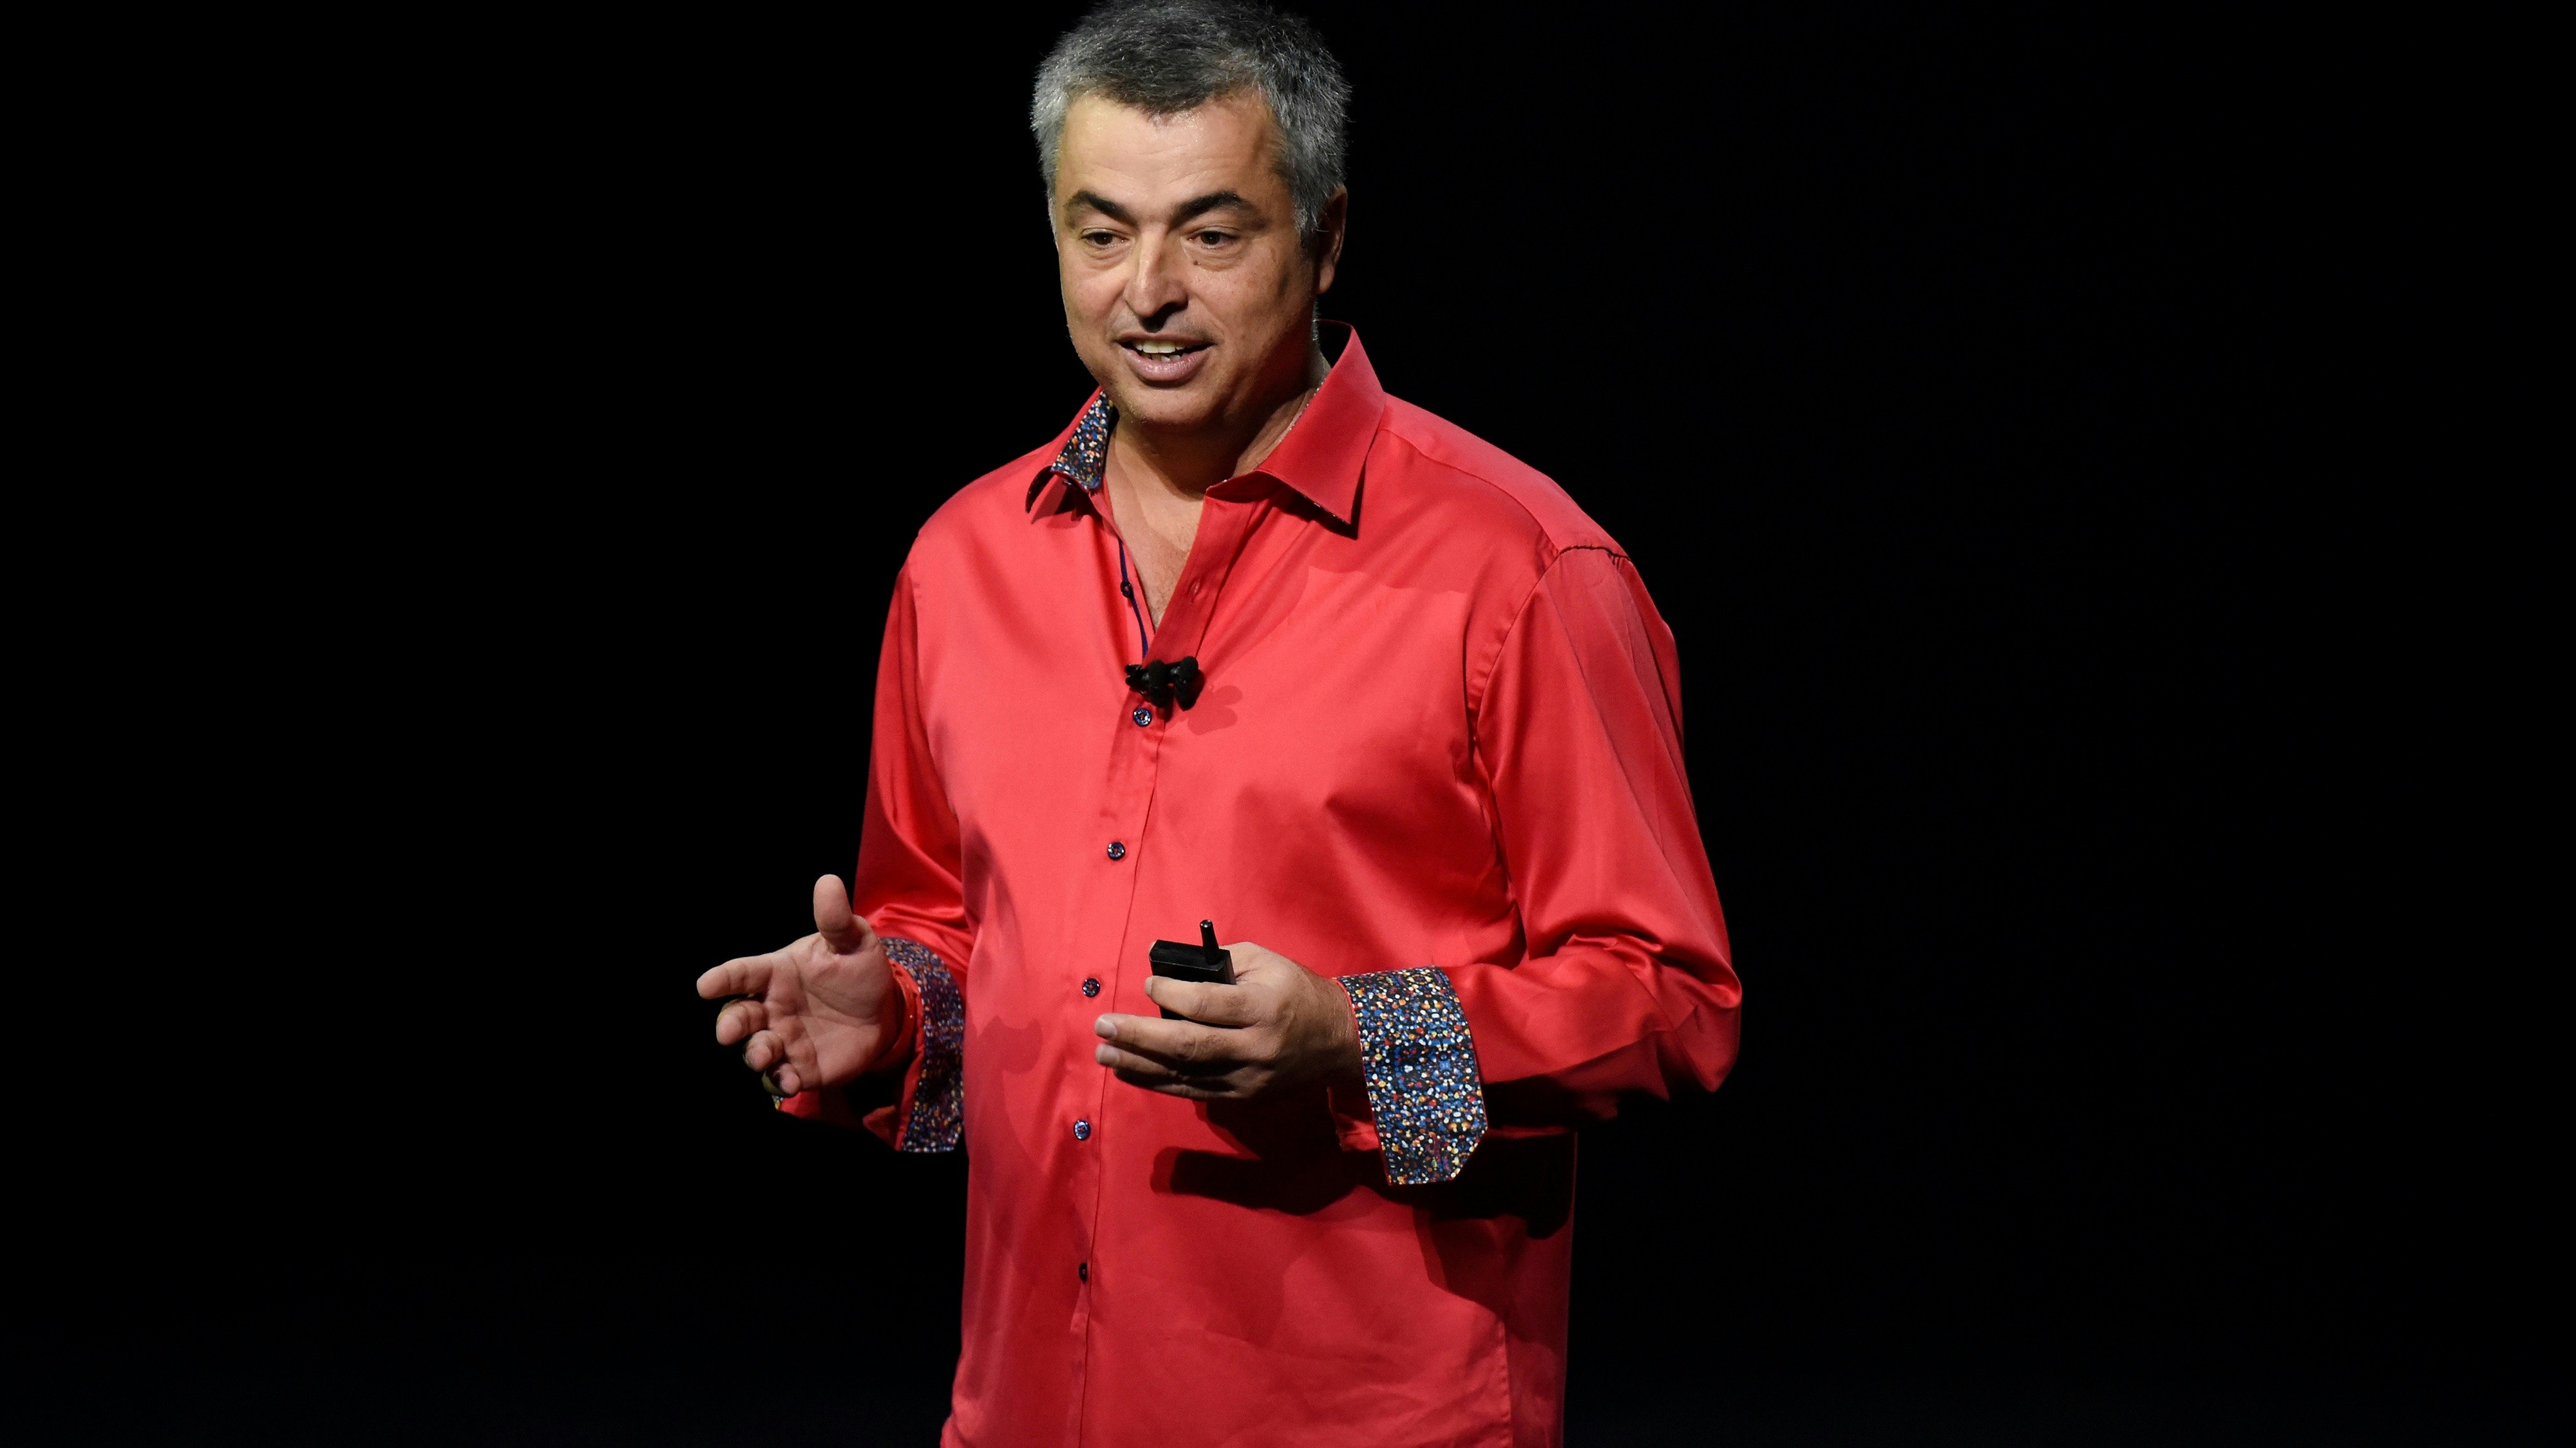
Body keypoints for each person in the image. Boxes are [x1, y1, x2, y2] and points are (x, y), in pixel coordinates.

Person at [696, 3, 1740, 1443]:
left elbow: (1670, 1005)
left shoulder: (1519, 571)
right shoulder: (961, 560)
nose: (1147, 293)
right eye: (1100, 232)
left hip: (1370, 1415)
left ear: (1323, 240)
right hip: (1021, 1407)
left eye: (1212, 232)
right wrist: (896, 1013)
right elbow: (944, 925)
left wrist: (1356, 1039)